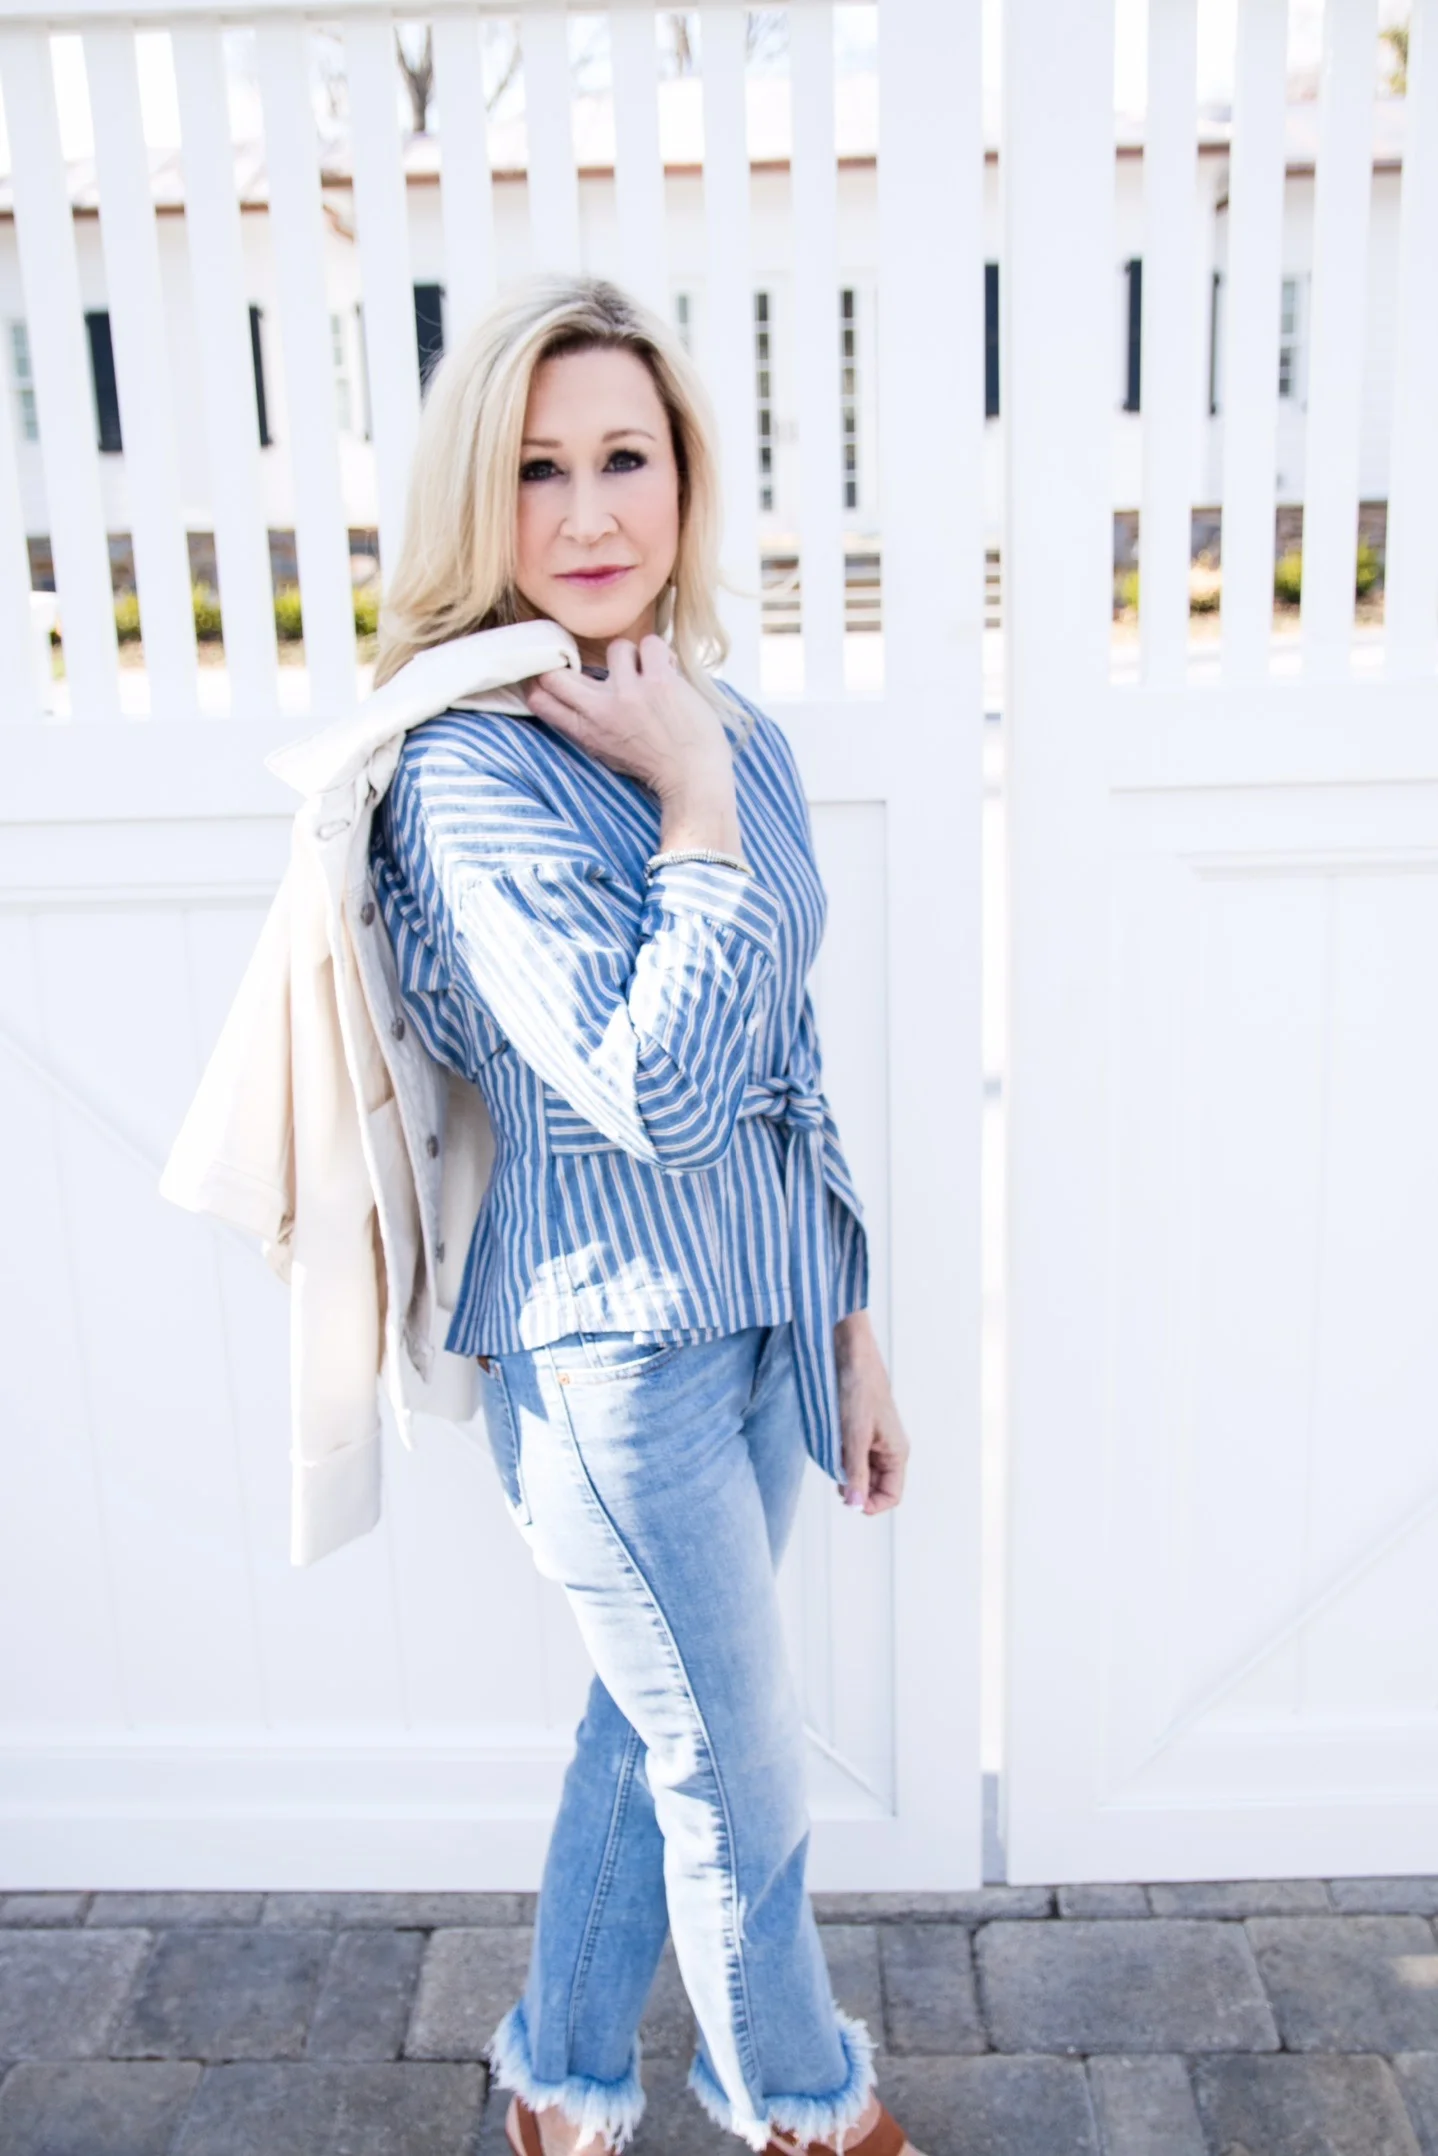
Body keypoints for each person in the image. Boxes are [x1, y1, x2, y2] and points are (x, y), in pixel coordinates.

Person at [368, 274, 916, 2156]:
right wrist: (688, 795)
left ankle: (558, 2084)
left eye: (625, 457)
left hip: (762, 1319)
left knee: (648, 1734)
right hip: (615, 1359)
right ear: (477, 498)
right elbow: (661, 1095)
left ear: (685, 477)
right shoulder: (463, 771)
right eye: (537, 469)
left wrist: (849, 1326)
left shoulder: (724, 719)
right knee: (737, 1790)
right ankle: (807, 2113)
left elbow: (786, 1047)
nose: (589, 513)